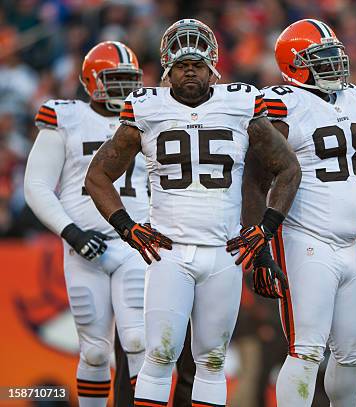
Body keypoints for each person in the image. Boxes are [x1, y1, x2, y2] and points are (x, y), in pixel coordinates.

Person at [84, 19, 301, 407]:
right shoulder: (146, 107)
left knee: (213, 360)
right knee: (159, 355)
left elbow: (287, 168)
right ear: (168, 66)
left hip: (224, 252)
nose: (190, 71)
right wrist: (127, 227)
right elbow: (98, 175)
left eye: (197, 65)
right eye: (183, 64)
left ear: (212, 68)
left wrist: (265, 230)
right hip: (169, 251)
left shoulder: (240, 102)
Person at [241, 18, 356, 407]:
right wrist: (259, 248)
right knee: (307, 349)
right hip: (303, 239)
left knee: (353, 353)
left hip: (351, 245)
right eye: (321, 58)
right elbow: (254, 180)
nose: (334, 66)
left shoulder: (354, 98)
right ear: (296, 64)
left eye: (334, 56)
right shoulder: (281, 101)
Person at [24, 41, 148, 406]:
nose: (125, 90)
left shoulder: (149, 116)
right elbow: (36, 185)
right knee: (94, 352)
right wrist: (72, 233)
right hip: (84, 248)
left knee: (140, 341)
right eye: (115, 80)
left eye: (130, 81)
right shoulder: (66, 116)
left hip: (136, 245)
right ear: (91, 80)